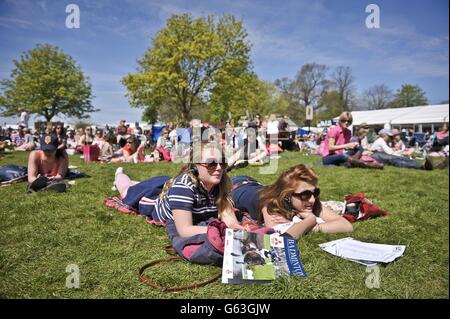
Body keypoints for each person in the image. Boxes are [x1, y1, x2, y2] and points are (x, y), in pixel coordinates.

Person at [112, 143, 244, 264]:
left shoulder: (220, 184)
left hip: (168, 187)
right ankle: (119, 174)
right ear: (195, 166)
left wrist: (243, 234)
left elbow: (231, 223)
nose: (219, 168)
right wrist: (219, 231)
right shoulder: (183, 188)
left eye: (223, 162)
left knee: (141, 184)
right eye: (211, 163)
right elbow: (185, 230)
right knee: (128, 191)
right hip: (151, 200)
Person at [230, 164, 353, 239]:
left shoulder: (309, 200)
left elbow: (346, 226)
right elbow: (282, 238)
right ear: (288, 195)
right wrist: (310, 220)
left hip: (255, 184)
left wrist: (312, 227)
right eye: (305, 194)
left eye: (315, 193)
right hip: (234, 186)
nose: (312, 199)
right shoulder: (270, 204)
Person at [370, 129, 447, 170]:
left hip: (379, 156)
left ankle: (427, 165)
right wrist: (402, 152)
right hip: (376, 157)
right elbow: (389, 152)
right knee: (396, 160)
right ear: (384, 135)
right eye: (389, 136)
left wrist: (400, 152)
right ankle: (422, 166)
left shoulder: (382, 141)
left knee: (399, 159)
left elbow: (390, 151)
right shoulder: (381, 140)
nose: (390, 137)